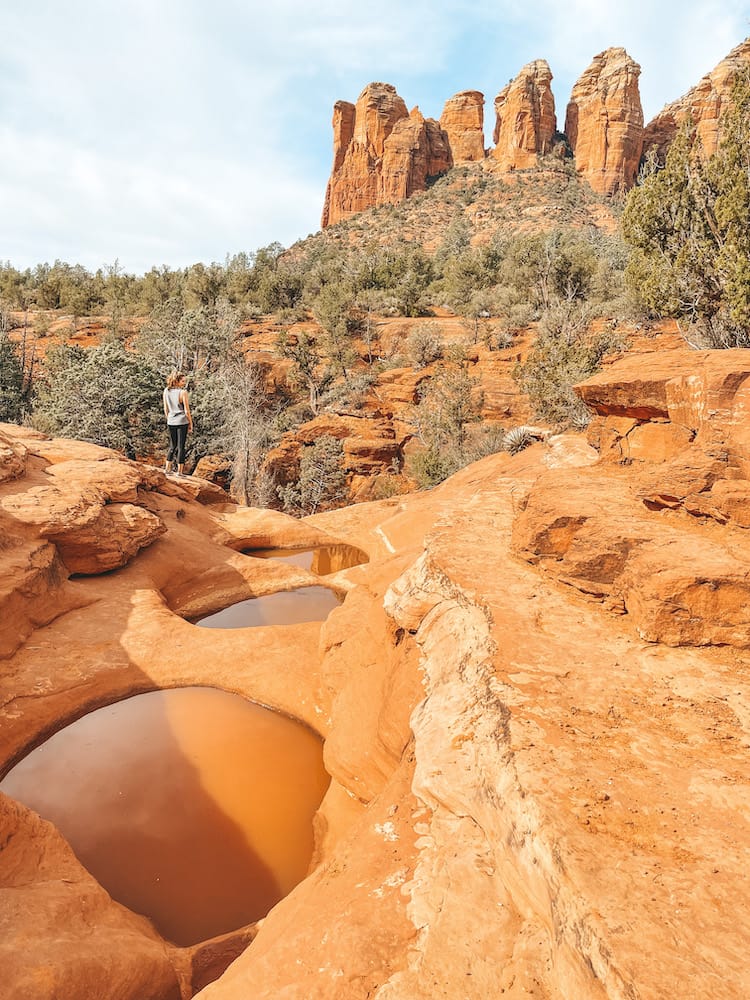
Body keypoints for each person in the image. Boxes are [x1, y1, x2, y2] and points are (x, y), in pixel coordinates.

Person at [163, 372, 193, 476]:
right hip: (182, 421)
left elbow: (165, 408)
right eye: (183, 381)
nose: (184, 383)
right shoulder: (183, 392)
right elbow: (187, 410)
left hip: (171, 421)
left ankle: (167, 469)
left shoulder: (166, 391)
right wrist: (190, 423)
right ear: (177, 381)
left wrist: (169, 419)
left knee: (172, 446)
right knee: (181, 447)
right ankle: (179, 472)